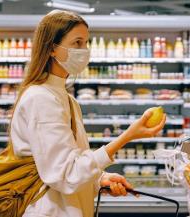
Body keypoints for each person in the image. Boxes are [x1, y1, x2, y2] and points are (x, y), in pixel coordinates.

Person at [10, 10, 166, 217]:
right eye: (77, 43)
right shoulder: (41, 99)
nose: (84, 50)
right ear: (52, 49)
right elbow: (66, 174)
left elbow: (71, 164)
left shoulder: (65, 98)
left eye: (86, 43)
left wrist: (99, 179)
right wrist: (127, 136)